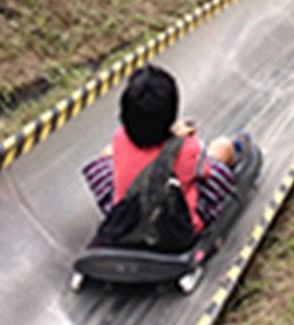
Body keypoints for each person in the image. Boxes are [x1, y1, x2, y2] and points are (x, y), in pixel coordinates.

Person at [81, 65, 236, 238]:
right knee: (222, 148)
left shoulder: (119, 138)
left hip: (128, 218)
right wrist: (178, 139)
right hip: (175, 225)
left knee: (107, 155)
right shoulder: (188, 147)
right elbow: (204, 173)